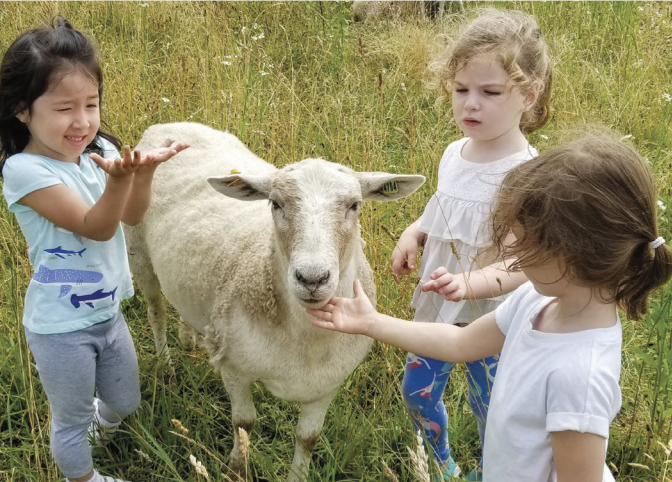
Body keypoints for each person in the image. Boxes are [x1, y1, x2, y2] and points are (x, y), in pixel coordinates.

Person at [310, 133, 672, 482]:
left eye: (521, 241)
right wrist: (372, 322)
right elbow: (459, 344)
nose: (508, 250)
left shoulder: (578, 379)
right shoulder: (537, 300)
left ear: (571, 255)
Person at [0, 18, 187, 482]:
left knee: (125, 402)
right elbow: (96, 227)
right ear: (23, 109)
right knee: (71, 418)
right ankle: (82, 477)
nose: (82, 121)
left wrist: (141, 175)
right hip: (60, 327)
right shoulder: (23, 171)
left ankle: (96, 432)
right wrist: (118, 180)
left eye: (91, 103)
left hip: (109, 313)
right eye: (65, 108)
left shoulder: (98, 148)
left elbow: (132, 217)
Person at [389, 9, 552, 480]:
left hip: (494, 320)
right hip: (439, 306)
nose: (470, 105)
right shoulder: (453, 152)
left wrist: (472, 283)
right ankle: (439, 464)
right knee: (417, 390)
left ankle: (492, 470)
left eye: (489, 93)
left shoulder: (525, 175)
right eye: (461, 90)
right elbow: (444, 206)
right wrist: (415, 232)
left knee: (494, 408)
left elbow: (525, 262)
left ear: (527, 95)